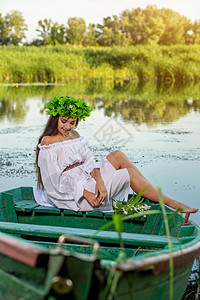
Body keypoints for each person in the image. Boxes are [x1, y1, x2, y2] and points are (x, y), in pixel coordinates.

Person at [34, 95, 198, 214]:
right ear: (55, 118)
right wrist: (85, 193)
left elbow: (89, 162)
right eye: (64, 121)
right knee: (128, 174)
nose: (68, 127)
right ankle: (171, 203)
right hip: (72, 196)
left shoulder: (74, 135)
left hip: (86, 179)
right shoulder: (48, 142)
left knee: (118, 155)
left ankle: (153, 194)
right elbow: (53, 181)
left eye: (72, 122)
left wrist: (99, 181)